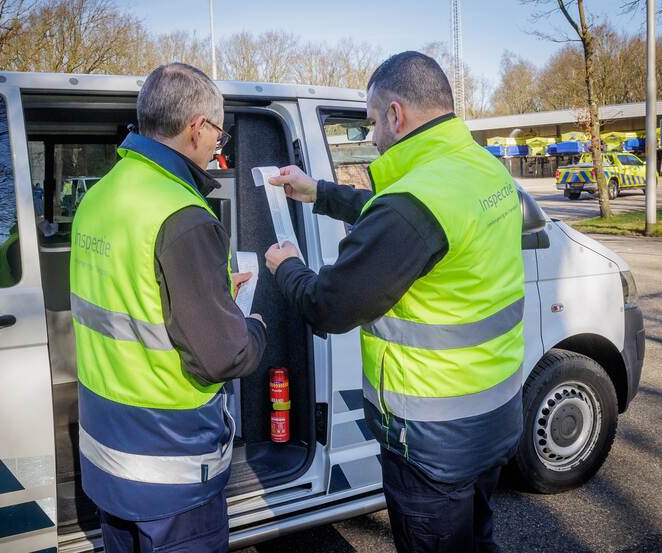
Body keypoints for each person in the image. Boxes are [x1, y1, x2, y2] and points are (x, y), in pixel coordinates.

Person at [264, 51, 525, 552]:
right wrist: (317, 191)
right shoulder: (478, 169)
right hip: (492, 418)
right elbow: (397, 220)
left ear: (395, 114)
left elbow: (329, 306)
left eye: (370, 124)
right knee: (478, 540)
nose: (373, 137)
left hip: (432, 440)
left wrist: (287, 267)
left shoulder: (415, 202)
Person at [70, 62, 266, 552]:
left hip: (108, 456)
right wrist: (253, 324)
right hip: (170, 469)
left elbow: (135, 296)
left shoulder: (99, 196)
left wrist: (213, 291)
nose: (217, 145)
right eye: (218, 134)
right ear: (197, 127)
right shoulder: (182, 214)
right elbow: (224, 355)